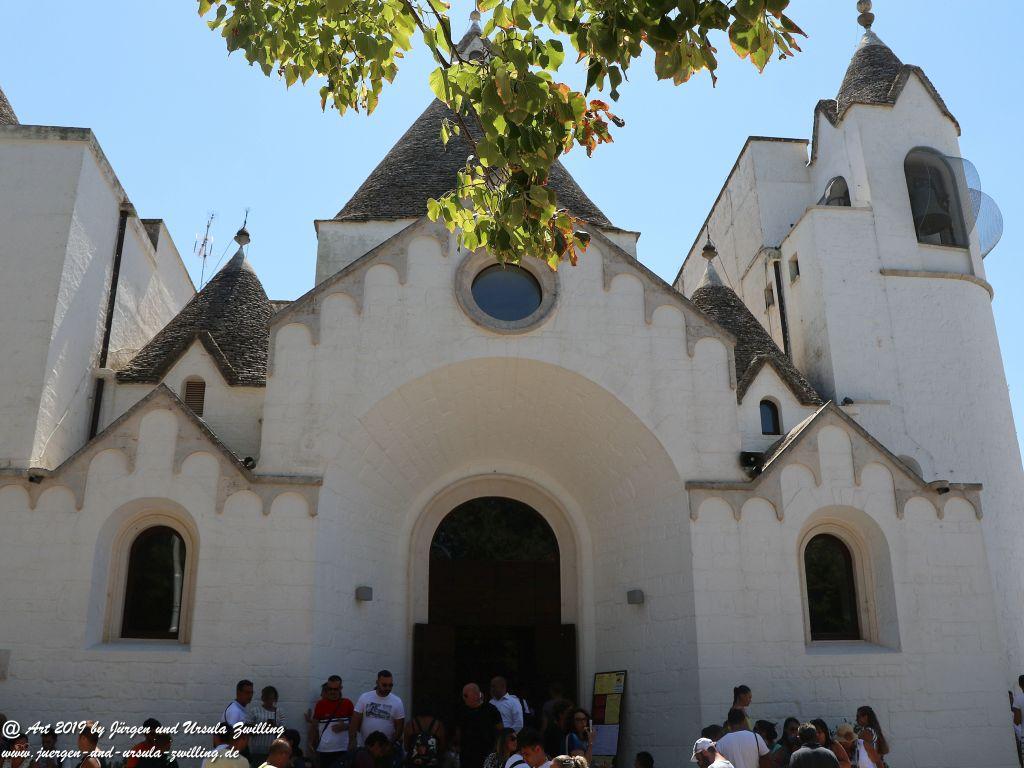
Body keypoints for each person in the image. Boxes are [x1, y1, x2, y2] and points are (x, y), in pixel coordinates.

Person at [351, 671, 406, 758]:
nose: (388, 688)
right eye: (384, 685)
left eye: (390, 685)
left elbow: (399, 728)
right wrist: (352, 741)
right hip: (365, 748)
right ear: (377, 683)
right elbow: (355, 720)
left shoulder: (397, 701)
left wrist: (390, 745)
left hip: (385, 751)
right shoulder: (365, 697)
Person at [457, 683, 503, 768]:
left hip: (486, 754)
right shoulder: (462, 711)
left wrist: (497, 750)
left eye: (466, 695)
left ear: (475, 695)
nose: (464, 698)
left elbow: (500, 731)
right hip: (467, 756)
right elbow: (459, 731)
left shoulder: (491, 710)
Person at [315, 676, 355, 768]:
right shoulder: (320, 704)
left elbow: (356, 724)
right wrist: (312, 746)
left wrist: (346, 726)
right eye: (330, 689)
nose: (332, 692)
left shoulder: (347, 703)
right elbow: (314, 727)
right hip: (325, 750)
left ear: (340, 688)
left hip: (344, 749)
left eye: (335, 689)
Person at [250, 686, 286, 767]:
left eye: (272, 698)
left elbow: (283, 731)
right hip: (257, 750)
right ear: (263, 698)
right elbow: (249, 731)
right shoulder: (255, 711)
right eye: (267, 698)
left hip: (274, 751)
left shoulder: (279, 712)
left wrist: (275, 727)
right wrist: (263, 728)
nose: (270, 701)